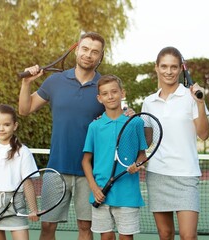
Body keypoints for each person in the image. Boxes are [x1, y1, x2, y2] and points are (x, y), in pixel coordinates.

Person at [18, 32, 133, 240]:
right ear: (77, 49)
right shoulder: (54, 82)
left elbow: (118, 116)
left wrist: (129, 114)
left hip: (91, 172)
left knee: (85, 228)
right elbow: (24, 110)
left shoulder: (103, 88)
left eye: (95, 52)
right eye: (85, 49)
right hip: (56, 168)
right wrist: (27, 83)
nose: (89, 55)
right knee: (47, 227)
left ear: (100, 57)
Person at [141, 47, 209, 240]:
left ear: (181, 69)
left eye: (173, 67)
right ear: (156, 68)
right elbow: (146, 141)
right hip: (157, 173)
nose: (168, 71)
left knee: (188, 236)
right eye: (164, 66)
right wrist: (129, 120)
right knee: (165, 234)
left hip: (186, 175)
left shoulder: (193, 99)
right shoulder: (148, 102)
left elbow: (204, 134)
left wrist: (201, 103)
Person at [81, 75, 146, 240]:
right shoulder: (94, 126)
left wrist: (137, 165)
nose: (110, 96)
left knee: (126, 237)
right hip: (101, 193)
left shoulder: (135, 122)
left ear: (122, 93)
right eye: (105, 93)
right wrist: (95, 188)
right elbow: (86, 161)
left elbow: (142, 154)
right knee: (106, 237)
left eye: (114, 92)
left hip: (128, 193)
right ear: (99, 98)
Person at [0, 104, 39, 240]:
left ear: (15, 126)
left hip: (15, 205)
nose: (1, 128)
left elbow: (27, 183)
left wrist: (33, 209)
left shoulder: (23, 152)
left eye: (6, 124)